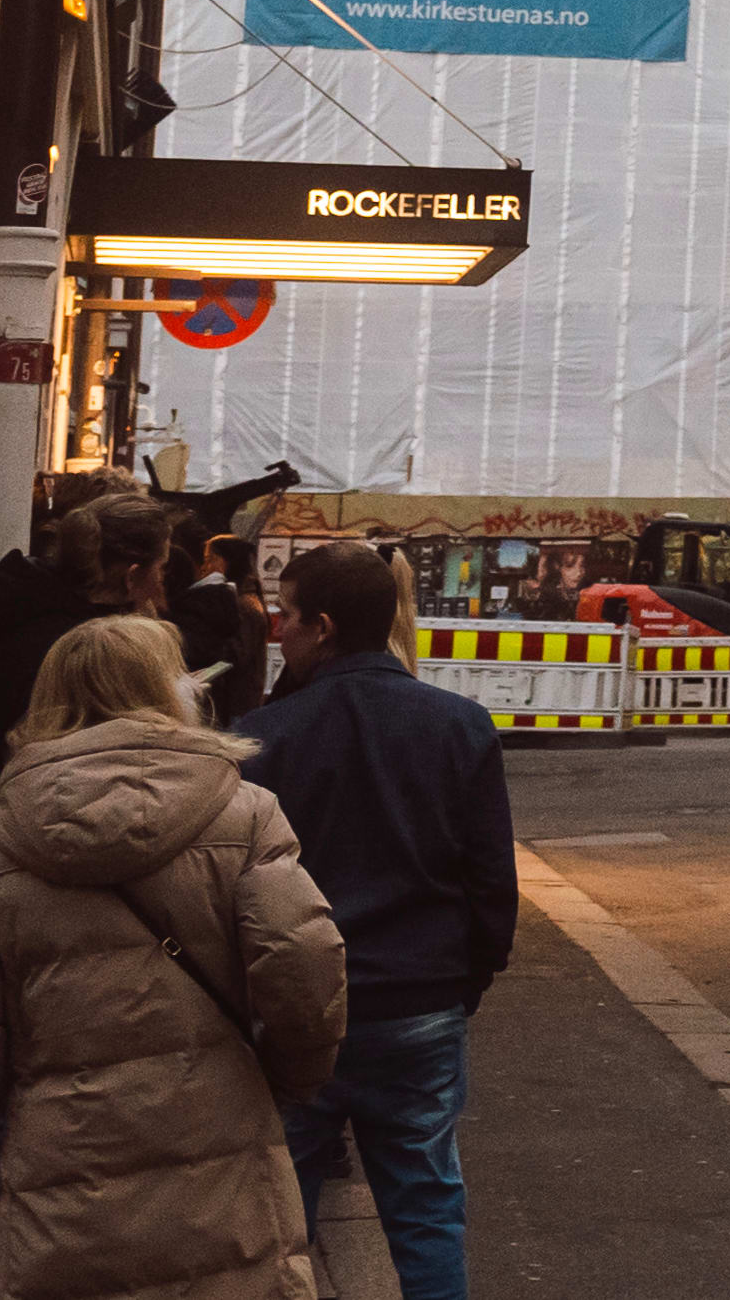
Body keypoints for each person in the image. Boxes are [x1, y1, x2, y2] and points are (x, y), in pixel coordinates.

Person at [0, 616, 347, 1300]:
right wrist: (289, 1079)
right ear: (168, 691)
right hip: (220, 1164)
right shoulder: (245, 815)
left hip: (63, 1183)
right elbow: (305, 974)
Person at [242, 541, 515, 1300]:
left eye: (285, 614)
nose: (277, 631)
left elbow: (242, 884)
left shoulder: (265, 738)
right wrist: (466, 982)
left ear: (322, 626)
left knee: (281, 1215)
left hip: (300, 1005)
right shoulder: (460, 725)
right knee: (426, 1206)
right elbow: (492, 880)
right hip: (421, 1001)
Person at [0, 493, 172, 859]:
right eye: (162, 570)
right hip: (22, 858)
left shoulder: (23, 613)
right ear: (131, 578)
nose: (162, 588)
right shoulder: (87, 650)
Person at [169, 516, 270, 727]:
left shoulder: (245, 605)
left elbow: (235, 655)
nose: (206, 565)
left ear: (227, 561)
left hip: (237, 703)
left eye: (212, 558)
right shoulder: (239, 599)